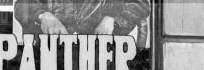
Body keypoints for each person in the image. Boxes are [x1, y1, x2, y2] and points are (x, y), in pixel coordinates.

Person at [14, 0, 150, 36]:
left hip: (102, 60)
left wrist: (112, 19)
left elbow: (140, 4)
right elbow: (21, 5)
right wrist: (43, 15)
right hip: (54, 57)